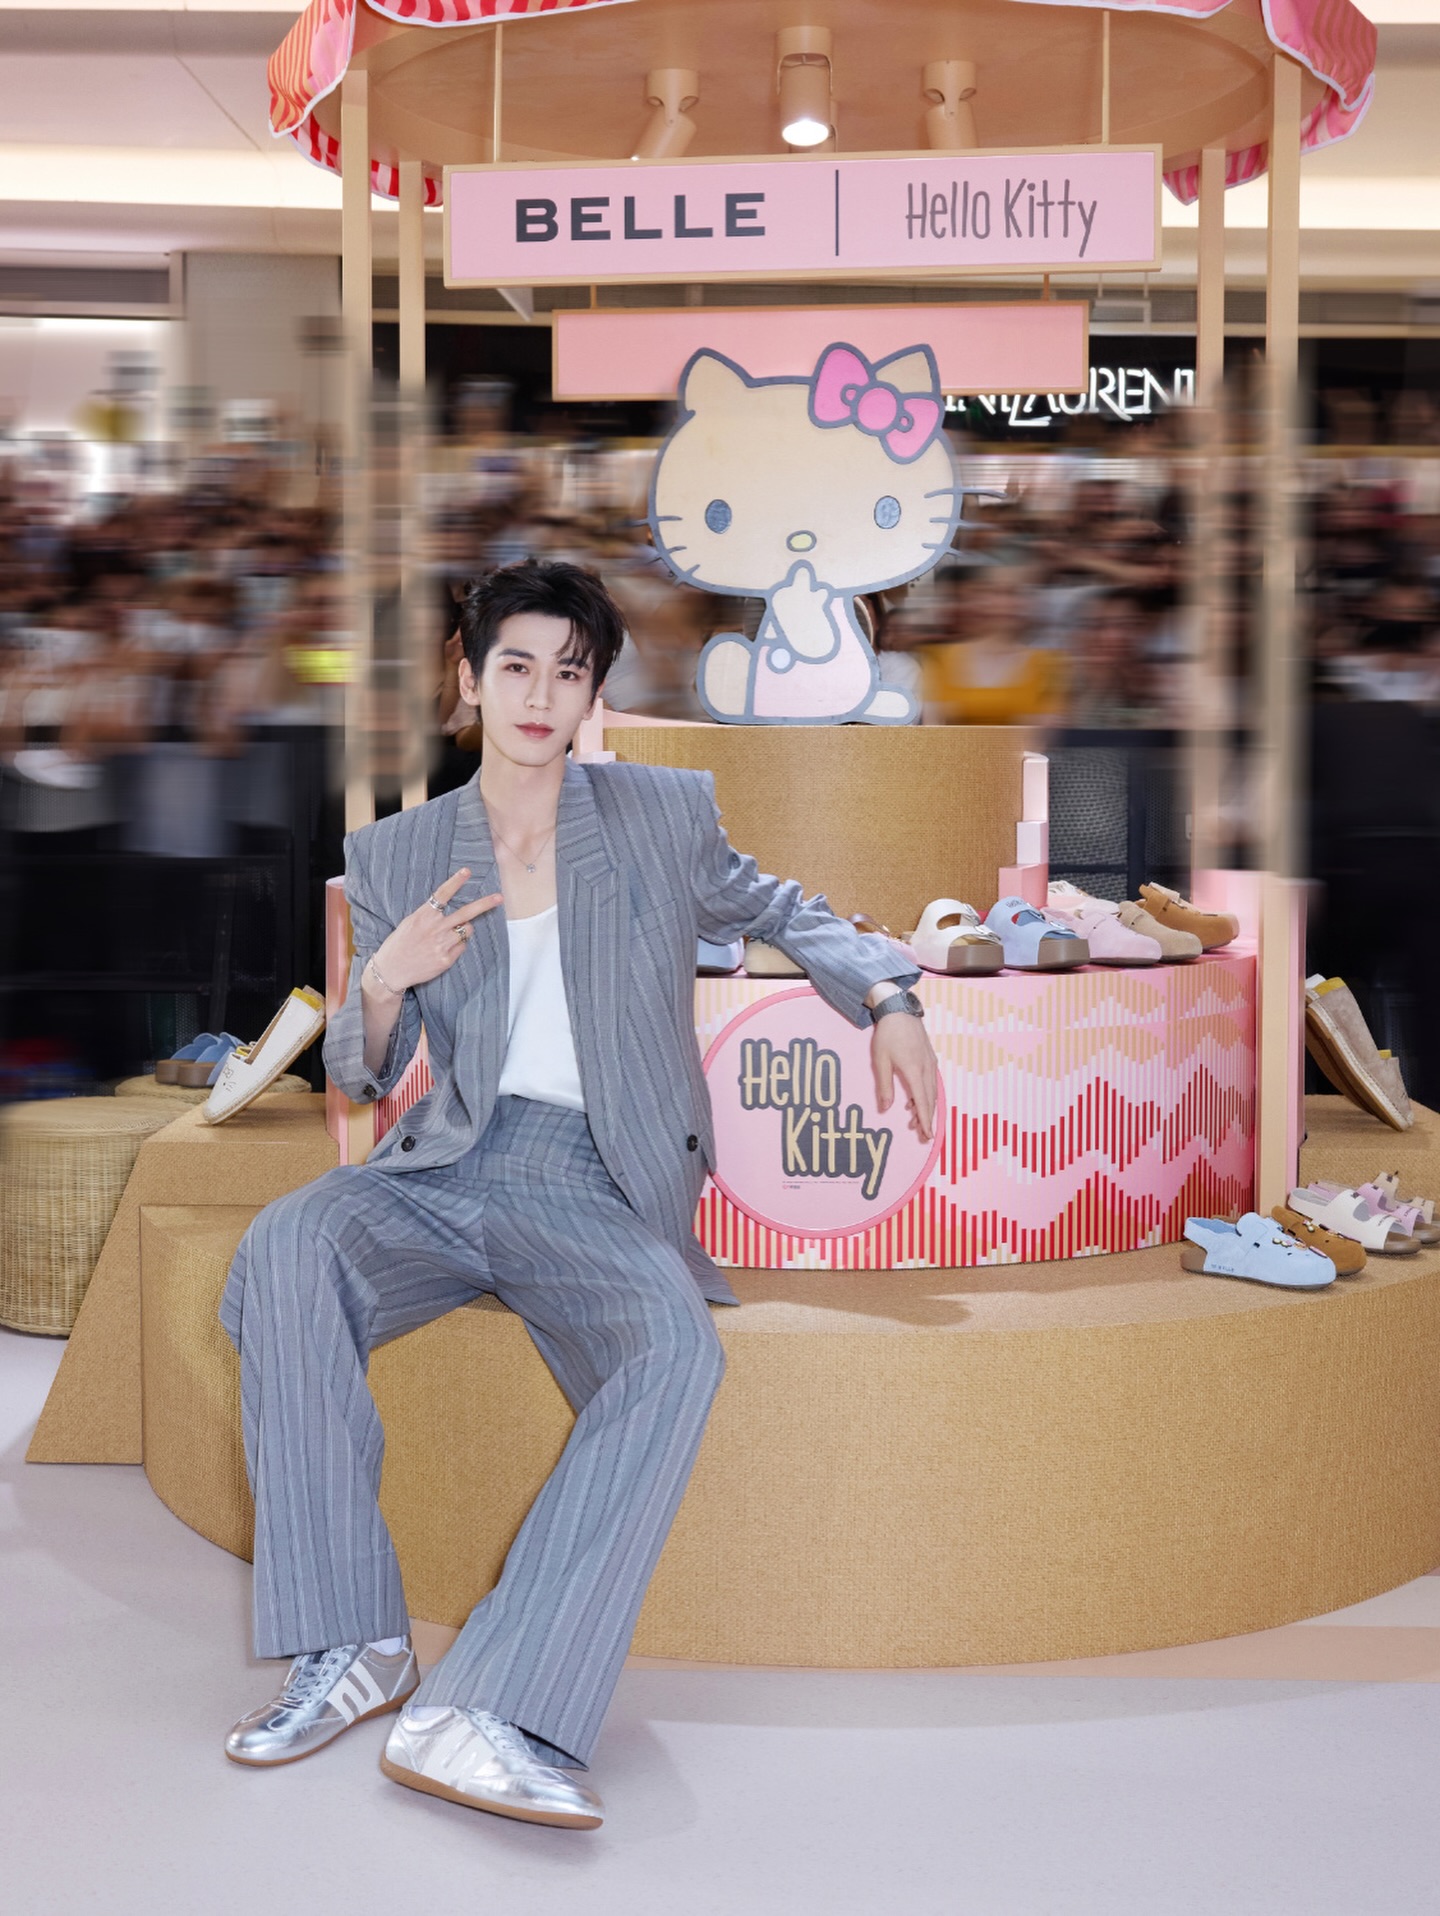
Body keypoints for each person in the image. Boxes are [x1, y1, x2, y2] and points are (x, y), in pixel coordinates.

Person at [218, 557, 938, 1831]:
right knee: (287, 1245)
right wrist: (382, 980)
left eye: (569, 670)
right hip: (446, 1166)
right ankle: (352, 1641)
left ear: (594, 689)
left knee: (675, 1348)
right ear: (467, 677)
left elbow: (784, 906)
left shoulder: (661, 812)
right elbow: (367, 1075)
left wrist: (887, 995)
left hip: (597, 1178)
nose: (540, 695)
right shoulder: (398, 850)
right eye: (515, 665)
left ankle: (492, 1704)